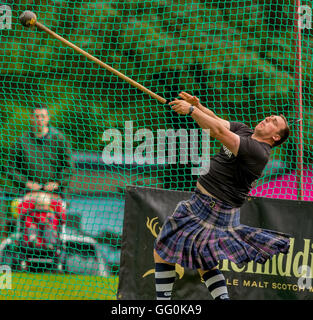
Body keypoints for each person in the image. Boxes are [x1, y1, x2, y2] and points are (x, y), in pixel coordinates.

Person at [153, 92, 291, 300]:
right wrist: (198, 106)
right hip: (206, 204)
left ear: (275, 137)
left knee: (163, 251)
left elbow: (217, 131)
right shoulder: (245, 131)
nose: (268, 118)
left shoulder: (257, 151)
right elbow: (217, 121)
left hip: (212, 208)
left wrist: (191, 111)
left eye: (274, 122)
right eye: (270, 116)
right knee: (203, 262)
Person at [7, 103, 75, 197]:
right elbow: (10, 168)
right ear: (31, 118)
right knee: (16, 206)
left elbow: (69, 167)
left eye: (42, 116)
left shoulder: (59, 139)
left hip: (55, 192)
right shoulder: (21, 141)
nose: (39, 119)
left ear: (48, 118)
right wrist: (26, 183)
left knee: (54, 208)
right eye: (36, 116)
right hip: (28, 192)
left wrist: (57, 183)